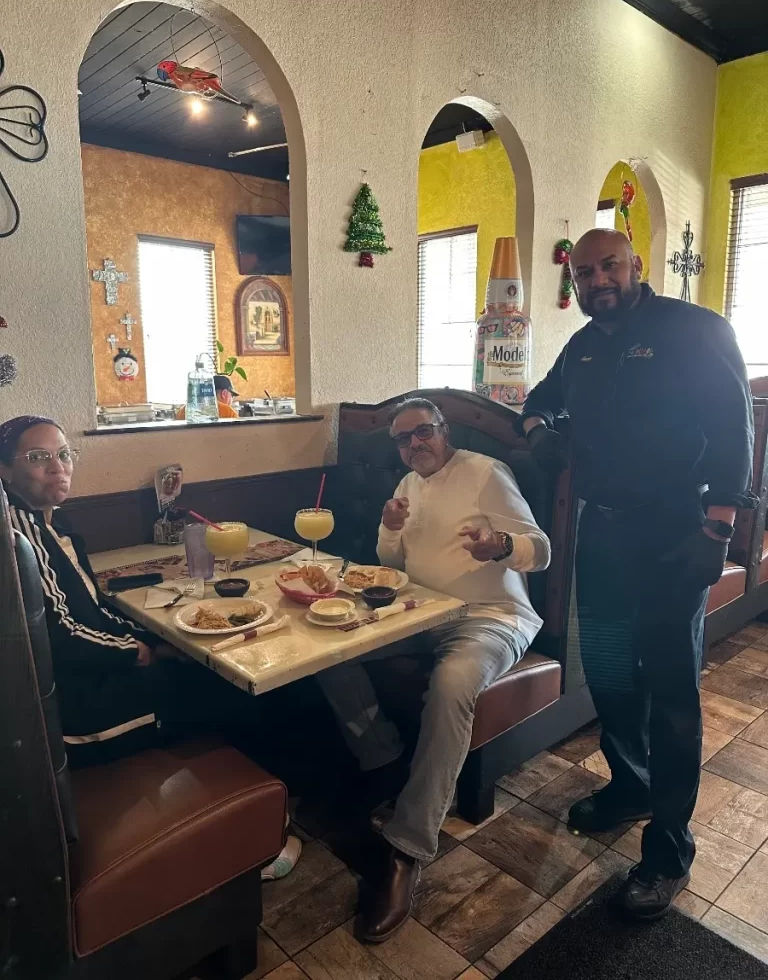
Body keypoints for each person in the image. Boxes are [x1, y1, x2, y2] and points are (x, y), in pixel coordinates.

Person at [520, 229, 756, 921]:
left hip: (675, 531)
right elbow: (542, 395)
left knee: (672, 692)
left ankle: (669, 850)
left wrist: (716, 531)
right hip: (605, 533)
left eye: (610, 267)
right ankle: (630, 786)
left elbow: (735, 431)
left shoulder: (694, 330)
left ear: (637, 267)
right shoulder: (585, 343)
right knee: (612, 671)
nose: (598, 281)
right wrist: (538, 431)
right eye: (584, 272)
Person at [0, 415, 300, 880]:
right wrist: (137, 651)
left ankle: (261, 804)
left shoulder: (48, 523)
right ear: (5, 470)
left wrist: (150, 638)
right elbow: (63, 633)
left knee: (205, 672)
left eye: (63, 454)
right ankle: (265, 840)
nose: (57, 466)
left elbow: (94, 609)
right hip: (73, 720)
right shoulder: (22, 535)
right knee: (230, 688)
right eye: (38, 458)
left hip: (84, 685)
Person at [316, 398, 551, 941]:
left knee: (450, 684)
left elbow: (541, 548)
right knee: (329, 648)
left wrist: (502, 546)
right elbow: (392, 564)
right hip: (420, 610)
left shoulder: (486, 472)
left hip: (493, 615)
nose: (414, 444)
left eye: (424, 433)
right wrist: (389, 526)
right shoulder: (406, 485)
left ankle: (407, 849)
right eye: (404, 439)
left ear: (442, 432)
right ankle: (384, 758)